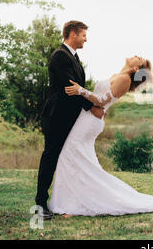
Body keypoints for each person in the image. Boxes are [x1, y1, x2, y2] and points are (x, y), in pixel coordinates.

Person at [47, 55, 153, 217]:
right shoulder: (118, 75)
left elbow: (100, 100)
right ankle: (74, 201)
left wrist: (80, 90)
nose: (135, 56)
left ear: (136, 69)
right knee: (78, 157)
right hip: (88, 116)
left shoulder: (125, 79)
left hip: (90, 121)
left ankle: (74, 204)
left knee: (70, 153)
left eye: (138, 58)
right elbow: (99, 100)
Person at [35, 21, 105, 220]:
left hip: (69, 117)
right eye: (83, 35)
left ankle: (69, 201)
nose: (86, 39)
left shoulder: (73, 56)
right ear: (72, 34)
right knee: (50, 157)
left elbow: (78, 86)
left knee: (67, 158)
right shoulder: (60, 56)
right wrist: (91, 106)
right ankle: (40, 204)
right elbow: (69, 88)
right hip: (57, 116)